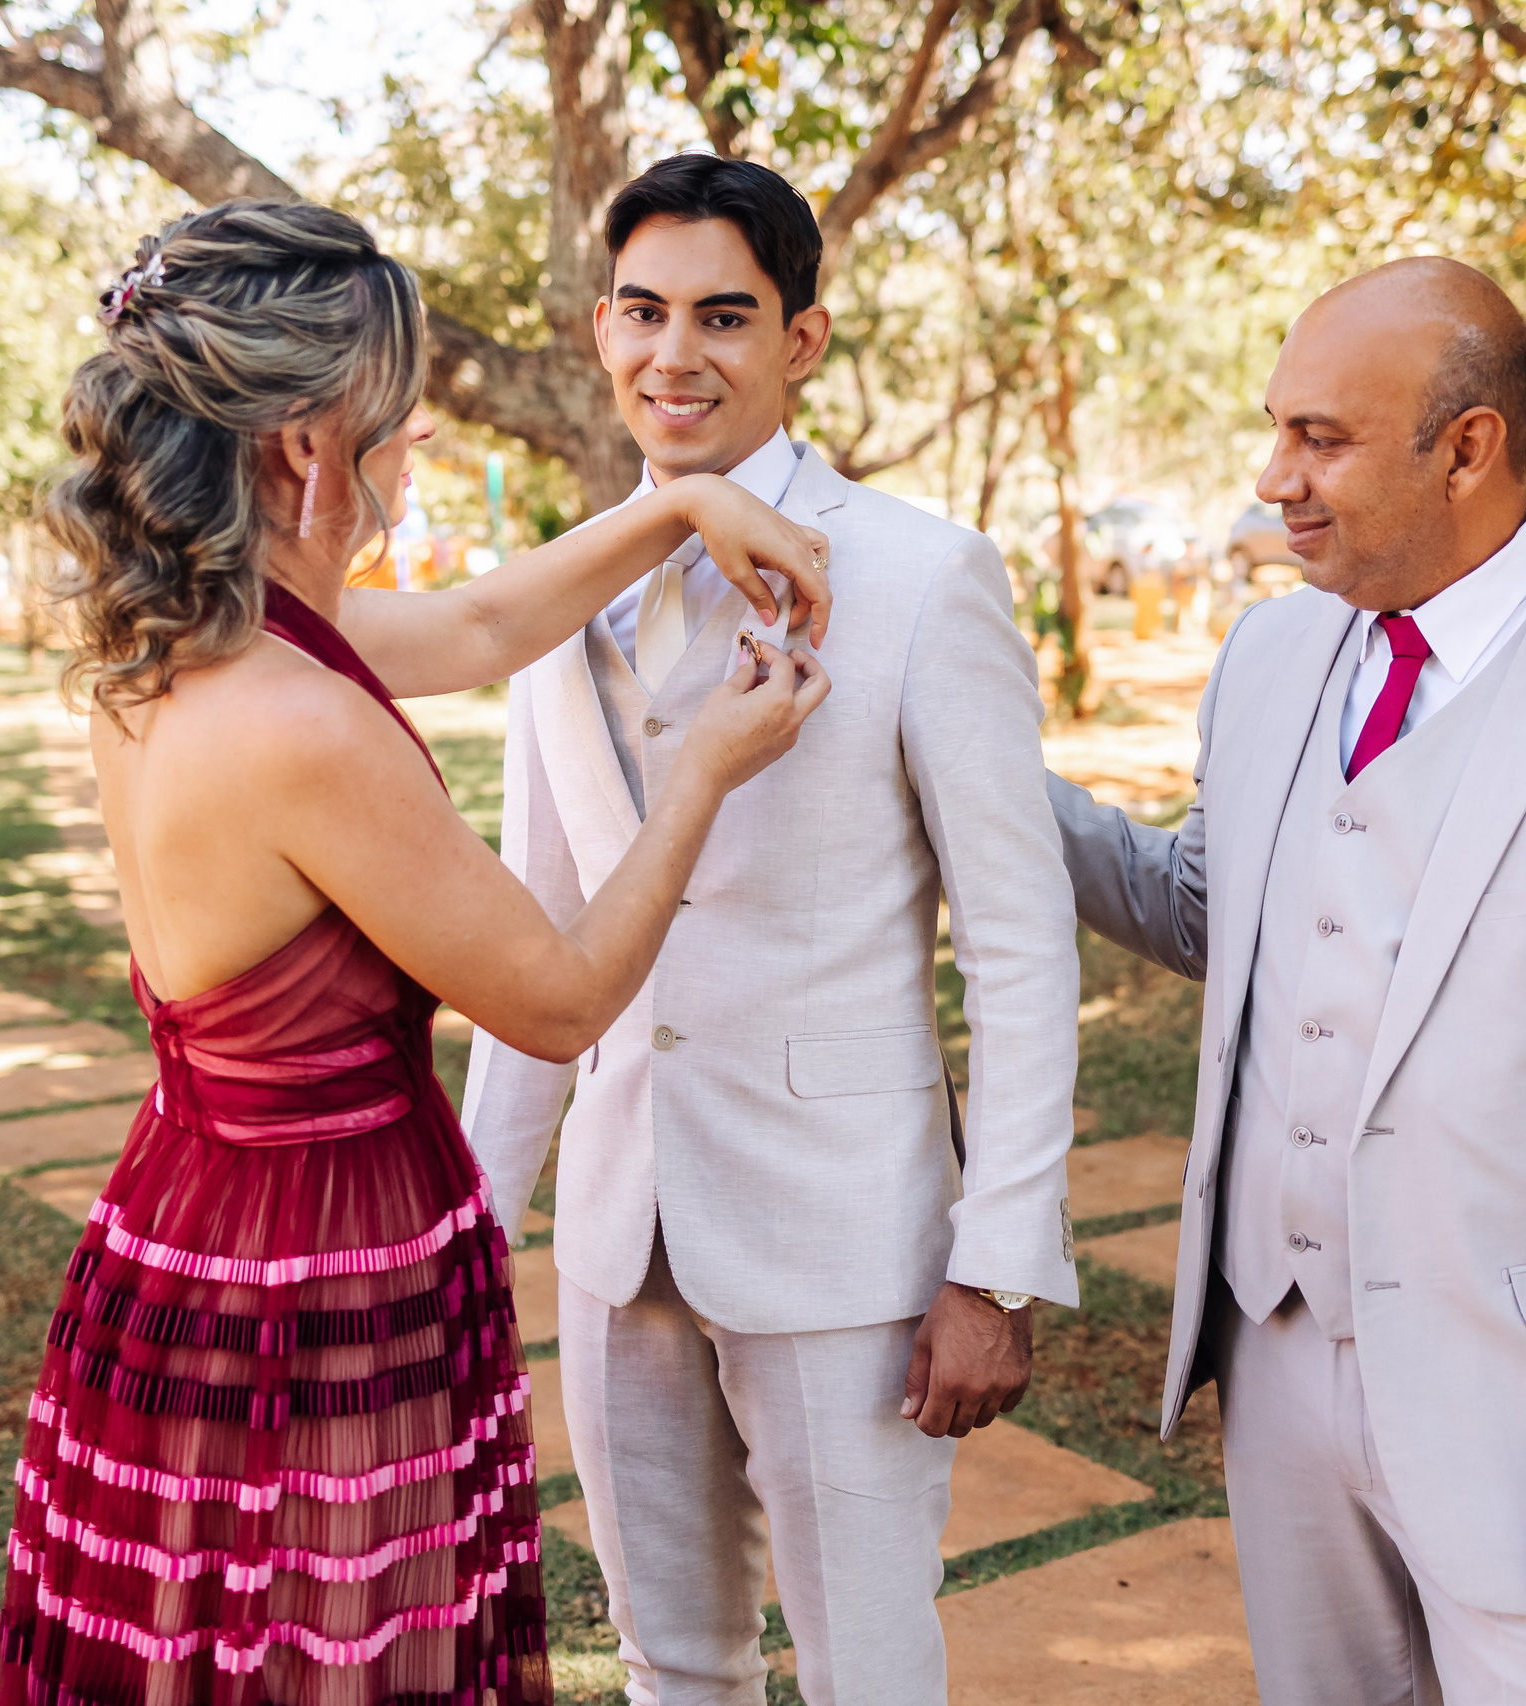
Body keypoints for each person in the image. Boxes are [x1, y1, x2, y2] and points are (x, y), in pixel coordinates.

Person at [0, 198, 833, 1706]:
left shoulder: (188, 644)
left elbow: (485, 620)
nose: (413, 454)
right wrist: (705, 767)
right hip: (308, 1266)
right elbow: (560, 996)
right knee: (328, 1658)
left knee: (226, 1645)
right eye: (398, 424)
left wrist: (677, 507)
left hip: (192, 1217)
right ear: (313, 448)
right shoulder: (303, 729)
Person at [1048, 258, 1526, 1703]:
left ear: (1468, 446)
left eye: (1322, 439)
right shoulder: (1275, 651)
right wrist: (984, 778)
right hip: (1274, 1355)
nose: (1274, 477)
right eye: (1278, 427)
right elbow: (1211, 911)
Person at [461, 153, 1080, 1705]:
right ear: (602, 328)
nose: (680, 356)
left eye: (726, 317)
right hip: (619, 1231)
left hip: (847, 1241)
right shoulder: (559, 596)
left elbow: (1019, 944)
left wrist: (995, 1266)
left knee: (869, 1668)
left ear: (801, 340)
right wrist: (474, 1222)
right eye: (647, 314)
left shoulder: (924, 576)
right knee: (673, 1661)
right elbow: (540, 925)